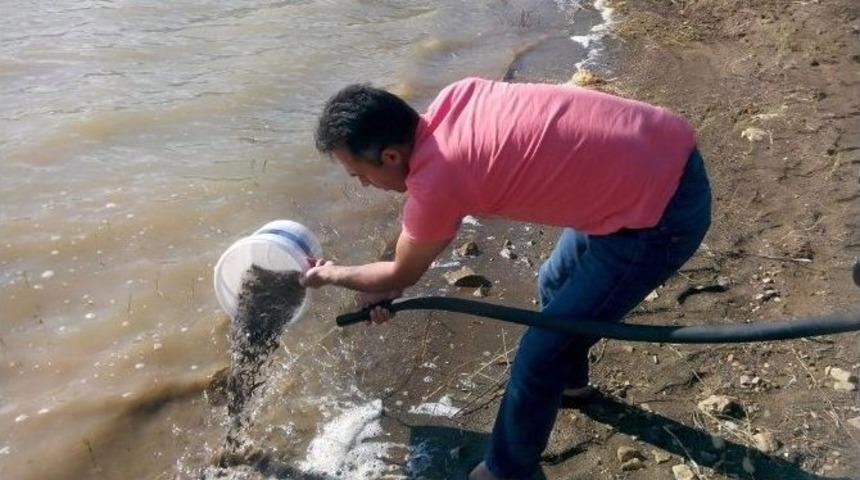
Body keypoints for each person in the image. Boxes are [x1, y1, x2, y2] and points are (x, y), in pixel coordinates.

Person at [301, 77, 711, 480]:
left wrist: (332, 274)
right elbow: (422, 237)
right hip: (657, 153)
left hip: (659, 216)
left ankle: (507, 470)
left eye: (360, 175)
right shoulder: (456, 99)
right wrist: (387, 283)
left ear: (390, 156)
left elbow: (403, 267)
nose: (363, 185)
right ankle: (570, 387)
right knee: (554, 282)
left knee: (540, 353)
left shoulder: (439, 179)